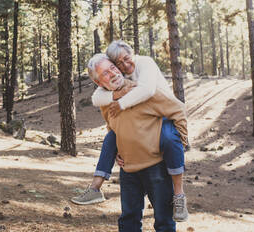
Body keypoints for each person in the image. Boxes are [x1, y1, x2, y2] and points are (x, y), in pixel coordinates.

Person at [71, 41, 188, 222]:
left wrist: (182, 141)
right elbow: (112, 125)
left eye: (112, 68)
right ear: (98, 82)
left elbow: (169, 104)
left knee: (164, 221)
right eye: (106, 72)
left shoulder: (144, 81)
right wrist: (119, 148)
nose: (116, 71)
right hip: (128, 168)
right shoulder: (105, 98)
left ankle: (179, 194)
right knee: (128, 220)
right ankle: (95, 188)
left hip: (155, 166)